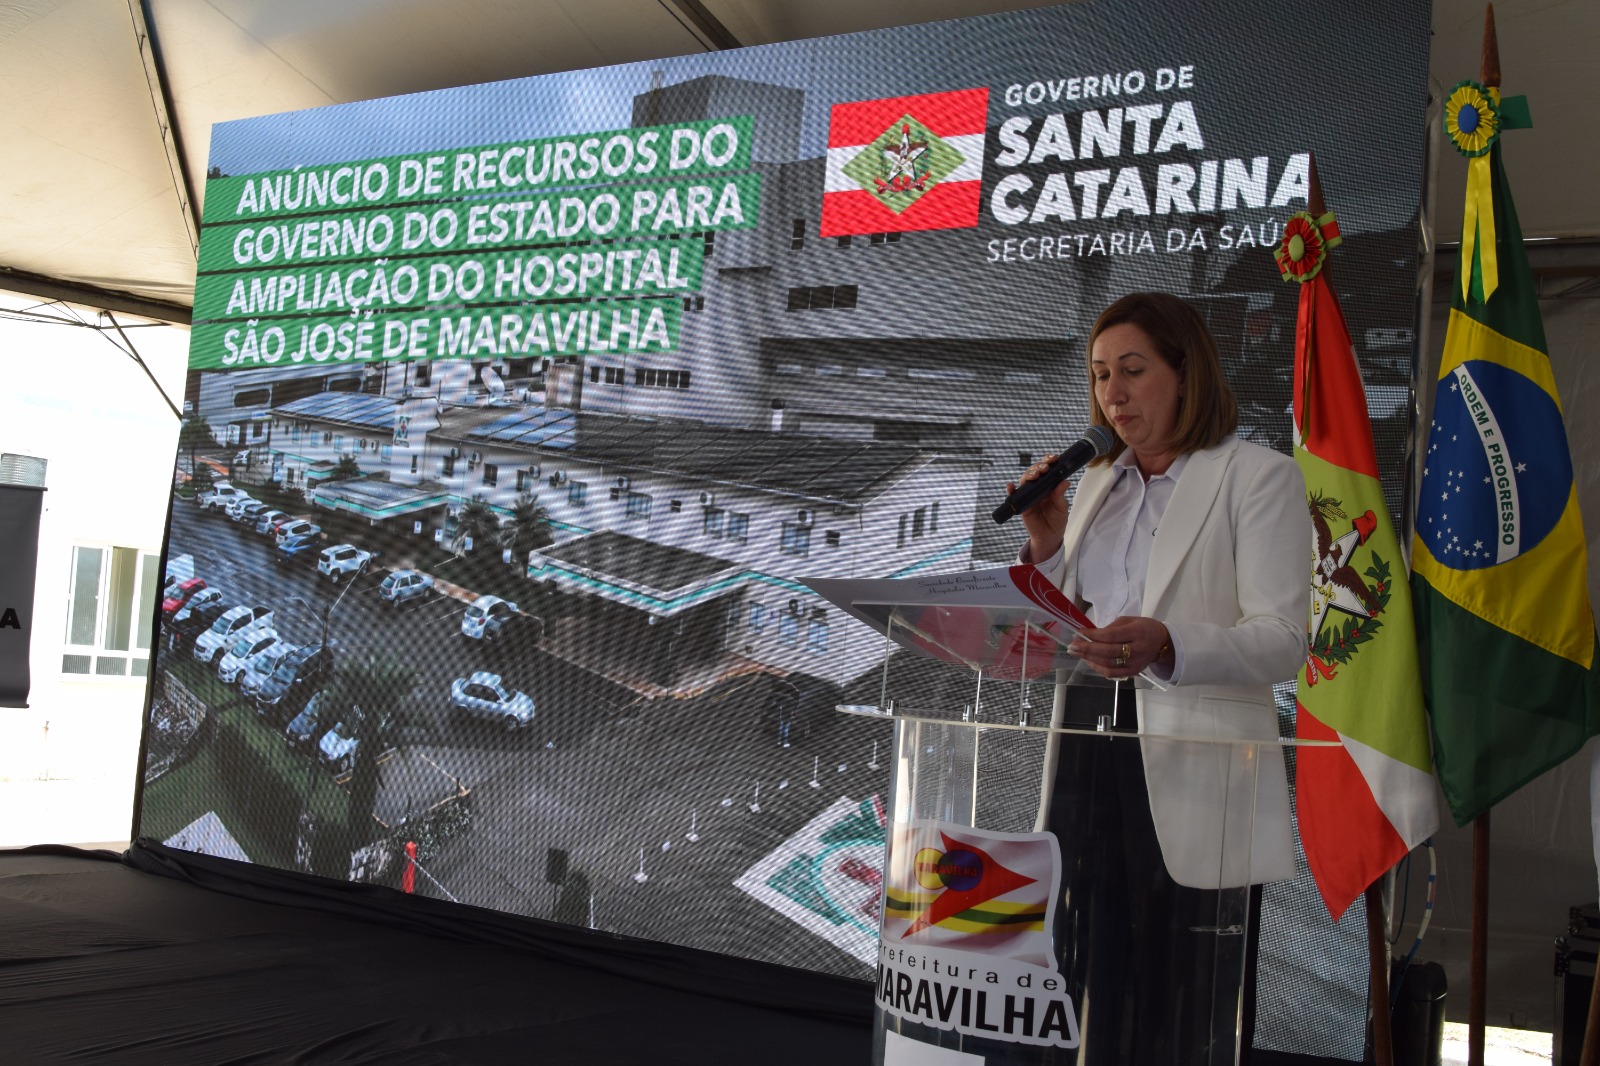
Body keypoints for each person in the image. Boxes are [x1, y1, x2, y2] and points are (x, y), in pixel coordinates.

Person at [1011, 291, 1311, 1063]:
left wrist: (1169, 643)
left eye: (1133, 370)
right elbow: (1067, 621)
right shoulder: (1096, 485)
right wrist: (1047, 543)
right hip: (1086, 742)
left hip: (1197, 767)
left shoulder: (1257, 478)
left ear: (1186, 373)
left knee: (1179, 1004)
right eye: (1100, 374)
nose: (1113, 393)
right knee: (1082, 969)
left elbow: (1284, 641)